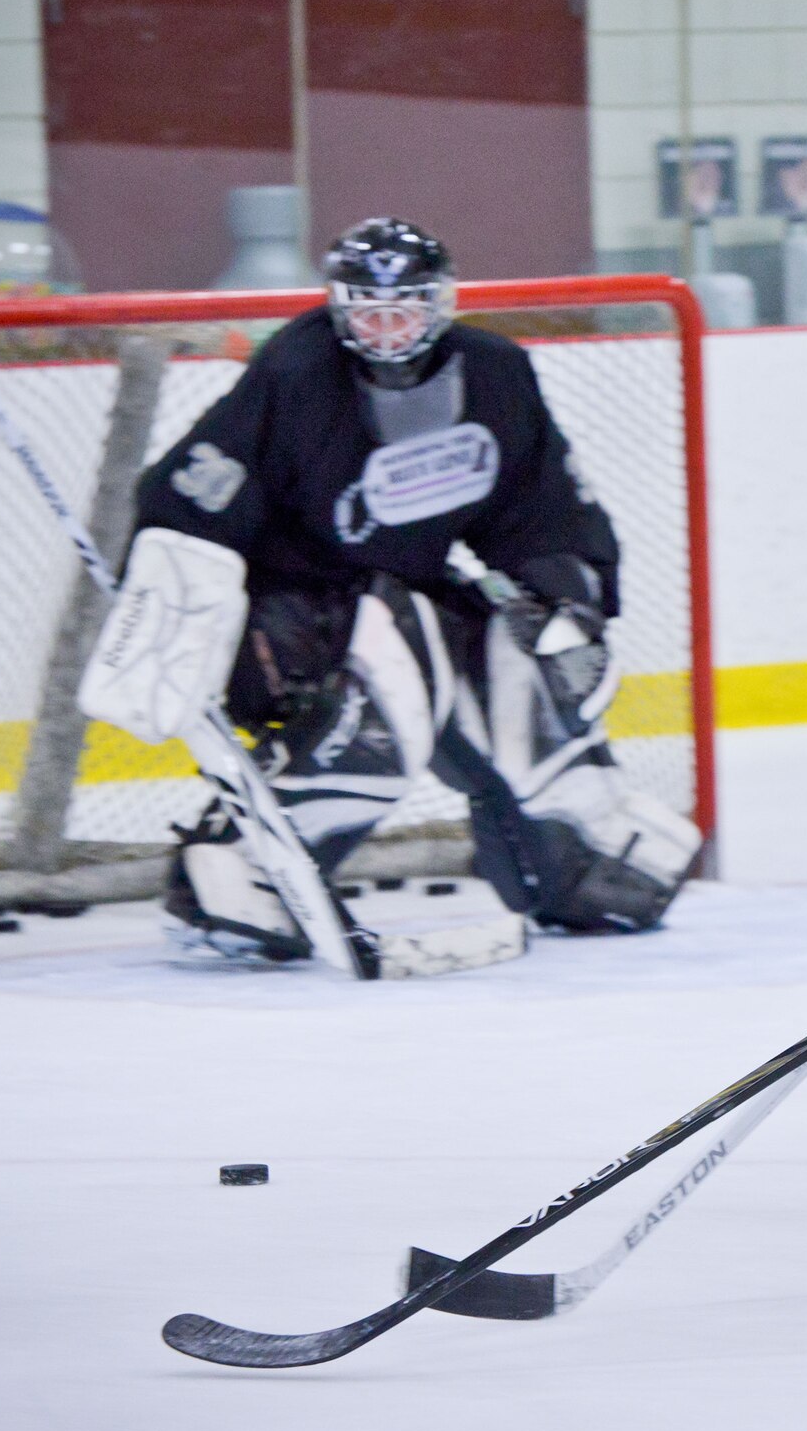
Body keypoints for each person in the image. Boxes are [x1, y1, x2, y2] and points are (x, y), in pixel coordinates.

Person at [105, 217, 700, 957]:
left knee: (517, 660)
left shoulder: (493, 373)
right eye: (369, 311)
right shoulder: (297, 369)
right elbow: (194, 498)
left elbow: (537, 507)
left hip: (409, 588)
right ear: (340, 306)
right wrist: (192, 615)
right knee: (386, 695)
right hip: (296, 604)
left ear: (440, 304)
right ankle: (241, 869)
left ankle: (581, 848)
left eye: (405, 310)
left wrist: (566, 596)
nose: (387, 330)